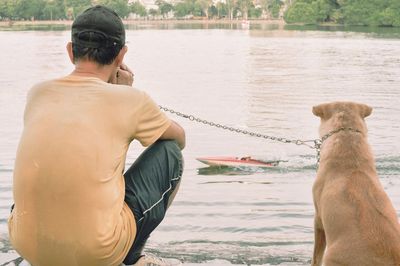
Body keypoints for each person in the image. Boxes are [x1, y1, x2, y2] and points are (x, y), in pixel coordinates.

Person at [8, 5, 185, 266]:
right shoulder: (131, 99)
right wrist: (125, 93)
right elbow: (179, 139)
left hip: (28, 245)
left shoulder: (38, 93)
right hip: (95, 254)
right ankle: (130, 257)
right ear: (121, 55)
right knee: (169, 153)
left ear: (70, 51)